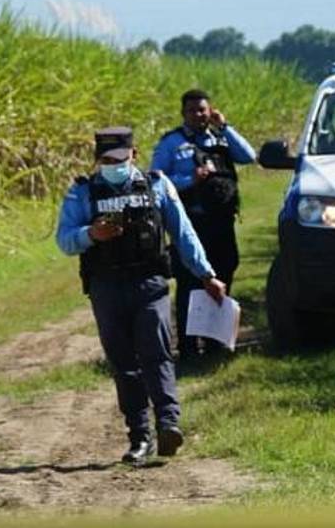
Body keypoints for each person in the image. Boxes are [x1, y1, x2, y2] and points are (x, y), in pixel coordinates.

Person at [56, 126, 226, 465]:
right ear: (97, 159)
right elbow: (64, 239)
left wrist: (206, 274)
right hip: (105, 287)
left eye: (119, 159)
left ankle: (168, 424)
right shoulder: (82, 194)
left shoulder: (158, 185)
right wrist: (92, 233)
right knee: (124, 365)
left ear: (134, 154)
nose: (113, 165)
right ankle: (140, 437)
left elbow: (183, 234)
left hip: (149, 284)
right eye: (106, 160)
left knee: (157, 353)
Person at [151, 90, 255, 363]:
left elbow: (248, 156)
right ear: (183, 113)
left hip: (222, 222)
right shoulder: (171, 143)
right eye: (193, 111)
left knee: (224, 274)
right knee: (190, 282)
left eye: (203, 110)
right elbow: (157, 182)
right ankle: (187, 346)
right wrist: (189, 179)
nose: (199, 115)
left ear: (211, 111)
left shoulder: (220, 137)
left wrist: (226, 126)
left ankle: (216, 341)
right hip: (192, 224)